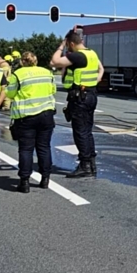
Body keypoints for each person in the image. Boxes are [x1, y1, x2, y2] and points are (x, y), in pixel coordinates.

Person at [51, 26, 103, 178]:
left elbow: (54, 62)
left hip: (80, 97)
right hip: (91, 94)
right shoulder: (92, 53)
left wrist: (61, 46)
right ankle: (91, 163)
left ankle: (85, 165)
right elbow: (101, 69)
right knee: (87, 131)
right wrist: (94, 82)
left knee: (80, 132)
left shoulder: (78, 56)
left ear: (71, 44)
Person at [6, 51, 56, 193]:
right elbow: (53, 90)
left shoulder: (18, 74)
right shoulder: (47, 72)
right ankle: (45, 179)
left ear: (22, 61)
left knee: (26, 149)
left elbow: (10, 93)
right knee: (44, 147)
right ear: (36, 60)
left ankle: (25, 182)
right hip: (46, 115)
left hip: (26, 117)